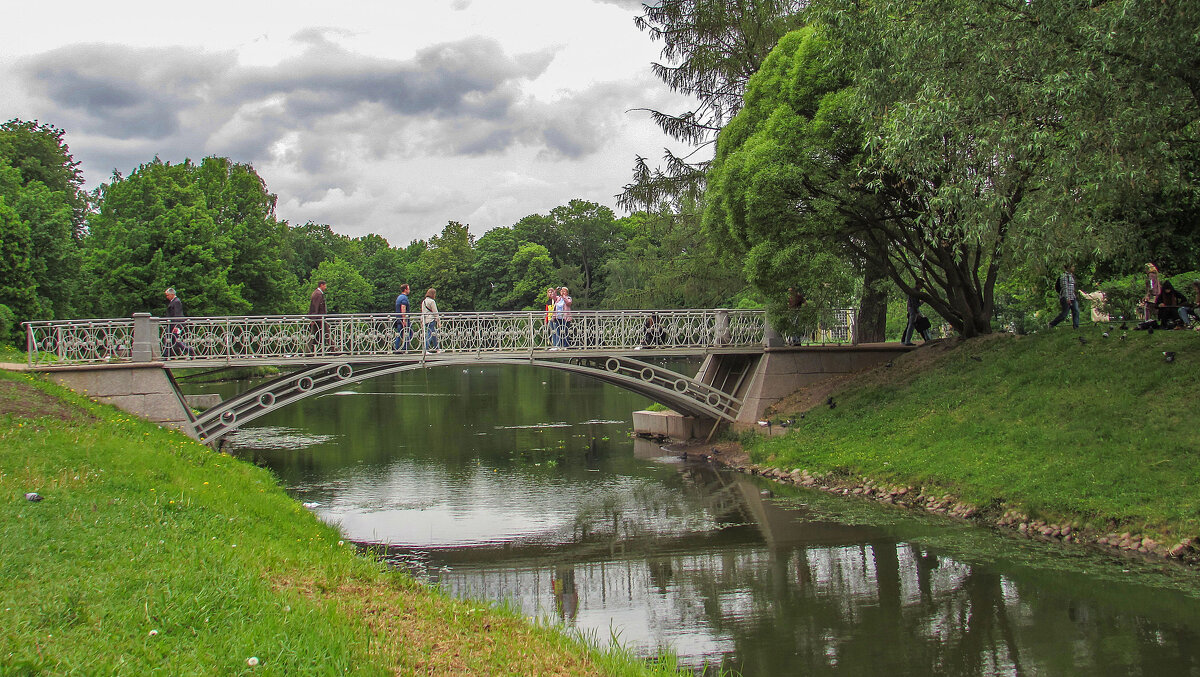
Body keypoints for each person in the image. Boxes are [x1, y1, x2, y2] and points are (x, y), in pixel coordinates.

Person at [1048, 264, 1080, 329]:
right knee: (1064, 314)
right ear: (1069, 267)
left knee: (1076, 311)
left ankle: (1076, 327)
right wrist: (1067, 298)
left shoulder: (1072, 276)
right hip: (1066, 297)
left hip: (1072, 297)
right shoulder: (1064, 276)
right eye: (1072, 266)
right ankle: (1052, 324)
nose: (1074, 268)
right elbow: (1065, 288)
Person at [163, 287, 192, 356]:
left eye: (168, 295)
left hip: (174, 325)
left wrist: (176, 326)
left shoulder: (176, 302)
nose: (167, 297)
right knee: (171, 339)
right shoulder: (174, 301)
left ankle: (190, 350)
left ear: (172, 294)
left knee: (173, 340)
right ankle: (167, 354)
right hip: (172, 324)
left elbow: (178, 314)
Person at [901, 281, 932, 345]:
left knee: (920, 323)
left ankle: (927, 338)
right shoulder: (914, 292)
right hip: (913, 309)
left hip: (913, 309)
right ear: (917, 284)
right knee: (911, 325)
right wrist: (917, 312)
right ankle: (907, 341)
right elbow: (913, 303)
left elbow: (913, 303)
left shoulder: (916, 291)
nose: (922, 286)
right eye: (921, 284)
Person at [308, 280, 327, 352]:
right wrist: (313, 318)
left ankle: (312, 350)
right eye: (325, 286)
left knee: (317, 334)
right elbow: (315, 307)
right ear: (321, 285)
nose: (325, 287)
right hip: (319, 318)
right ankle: (333, 349)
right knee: (325, 333)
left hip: (318, 318)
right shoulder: (318, 294)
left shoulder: (317, 293)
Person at [393, 284, 412, 352]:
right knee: (409, 333)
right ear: (405, 290)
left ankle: (397, 348)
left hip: (398, 319)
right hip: (403, 319)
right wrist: (404, 319)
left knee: (399, 334)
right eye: (408, 289)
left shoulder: (399, 297)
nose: (409, 290)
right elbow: (403, 308)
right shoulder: (404, 298)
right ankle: (404, 348)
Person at [420, 287, 440, 352]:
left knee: (434, 334)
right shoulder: (432, 301)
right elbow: (435, 312)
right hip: (431, 319)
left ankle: (437, 348)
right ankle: (426, 349)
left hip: (425, 320)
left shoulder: (424, 301)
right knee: (430, 334)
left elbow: (423, 312)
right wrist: (438, 321)